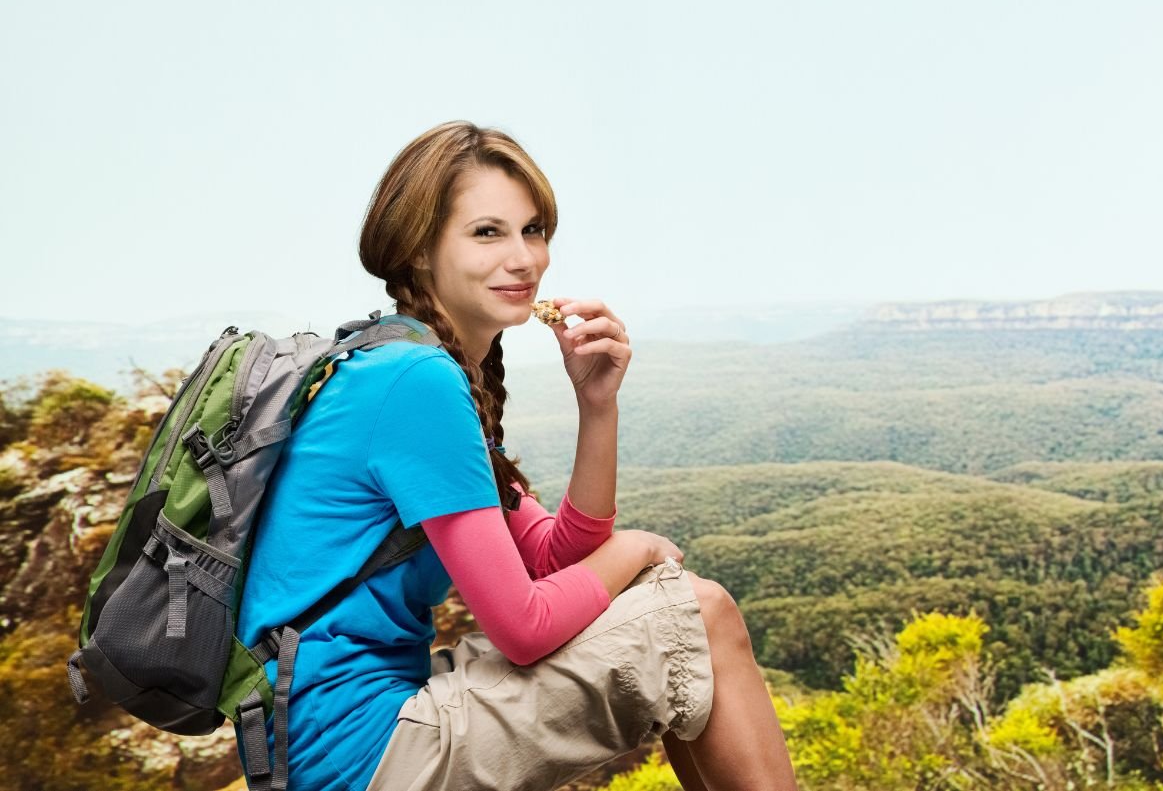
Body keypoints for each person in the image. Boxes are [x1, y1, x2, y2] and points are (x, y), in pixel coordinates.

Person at [235, 121, 798, 791]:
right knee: (702, 614)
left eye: (533, 230)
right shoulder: (415, 382)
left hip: (336, 743)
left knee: (673, 609)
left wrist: (598, 406)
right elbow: (524, 625)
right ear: (418, 252)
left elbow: (554, 557)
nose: (525, 258)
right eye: (488, 232)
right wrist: (639, 546)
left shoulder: (417, 364)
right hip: (363, 755)